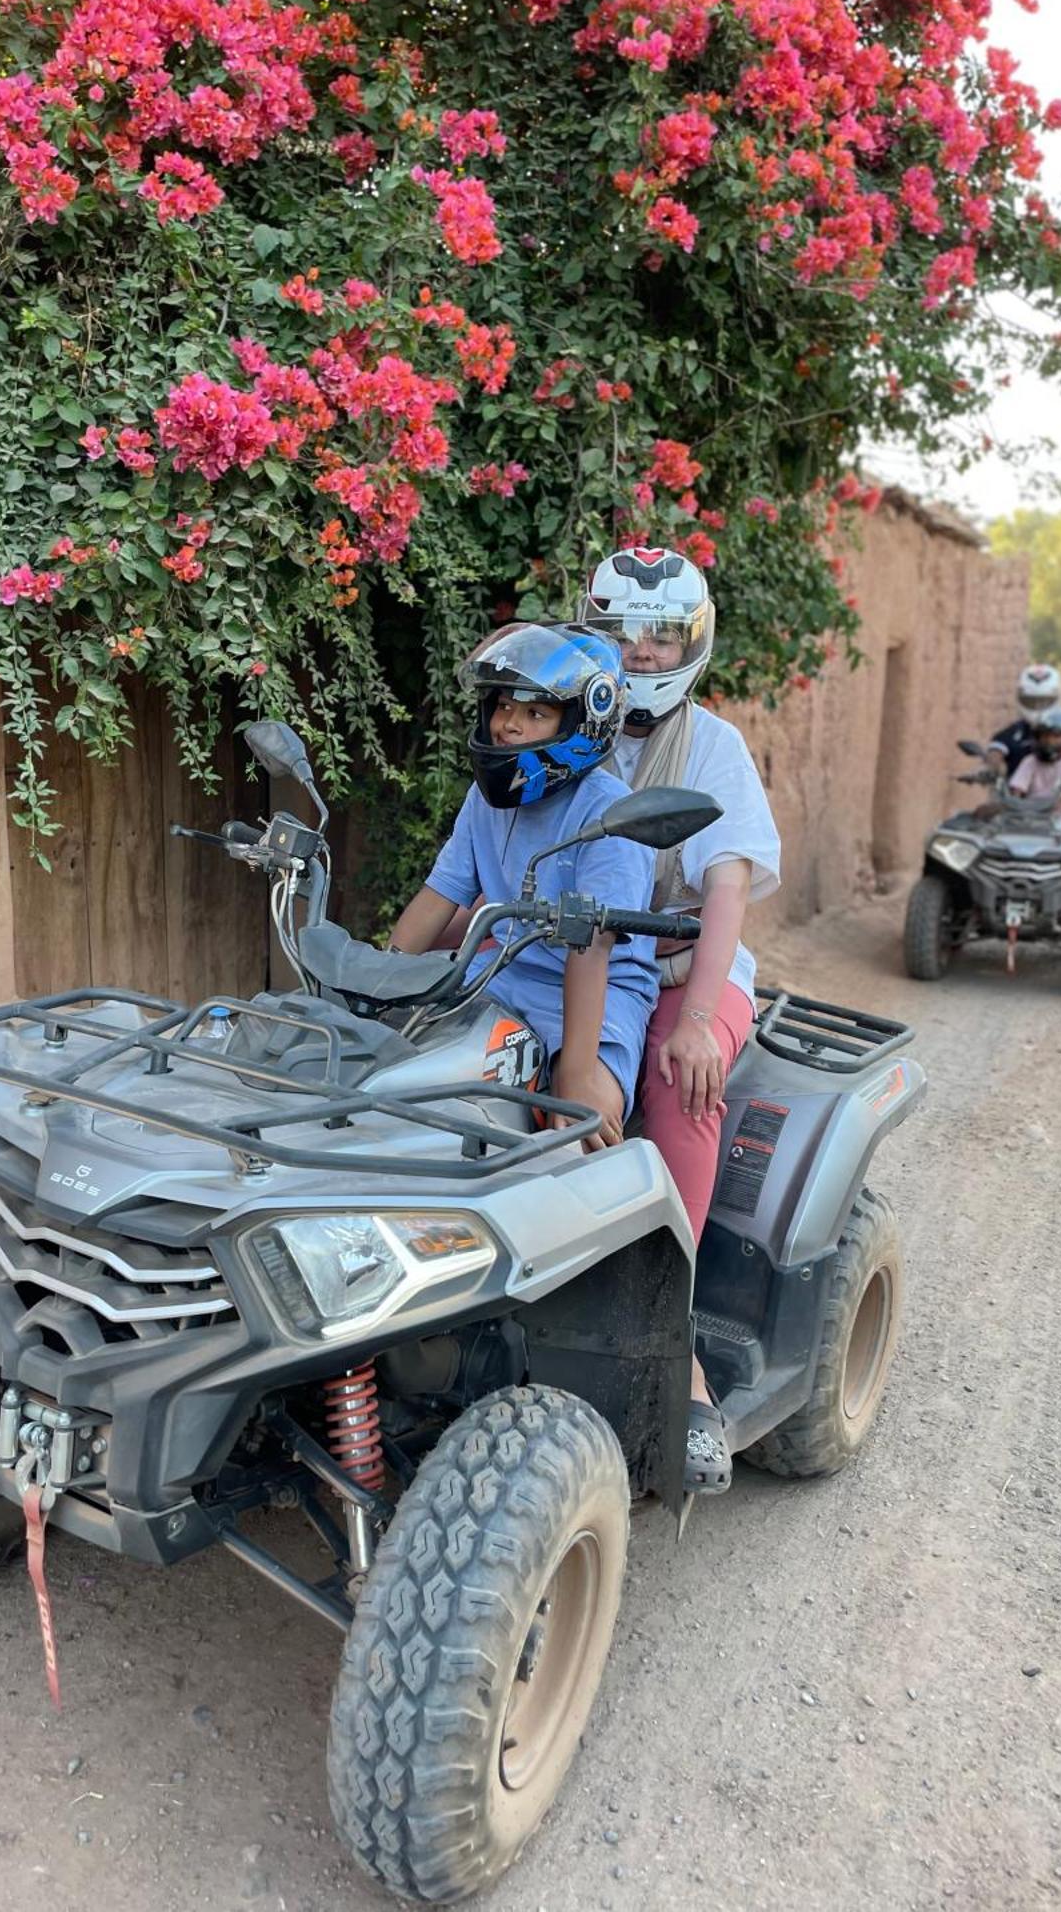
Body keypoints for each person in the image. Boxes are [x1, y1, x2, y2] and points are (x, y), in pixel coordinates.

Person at [577, 547, 781, 1493]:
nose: (646, 653)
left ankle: (679, 1340)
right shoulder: (571, 726)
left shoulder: (715, 748)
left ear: (693, 641)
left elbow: (728, 888)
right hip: (578, 962)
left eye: (664, 635)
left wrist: (698, 1016)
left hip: (683, 967)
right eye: (626, 633)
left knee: (677, 1084)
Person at [390, 622, 658, 1150]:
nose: (508, 725)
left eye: (535, 713)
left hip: (594, 999)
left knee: (580, 1130)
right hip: (501, 972)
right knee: (397, 1072)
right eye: (504, 707)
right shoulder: (486, 798)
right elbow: (438, 897)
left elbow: (592, 947)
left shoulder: (608, 813)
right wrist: (380, 986)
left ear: (584, 721)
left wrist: (577, 1075)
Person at [988, 663, 1061, 777]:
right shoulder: (1013, 734)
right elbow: (995, 752)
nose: (1038, 707)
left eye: (1044, 701)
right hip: (1015, 793)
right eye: (1031, 701)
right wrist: (991, 765)